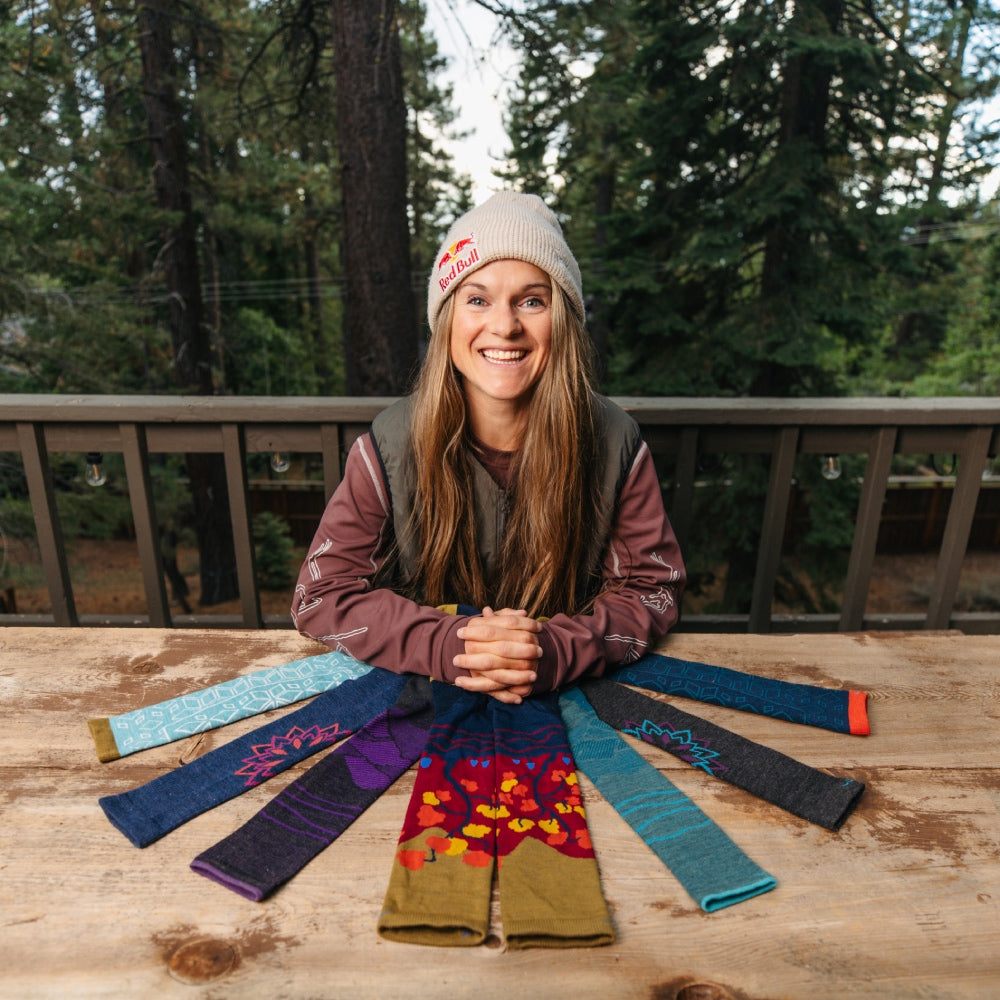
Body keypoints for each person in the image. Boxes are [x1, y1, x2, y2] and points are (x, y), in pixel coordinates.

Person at [292, 191, 684, 703]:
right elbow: (319, 596)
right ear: (447, 318)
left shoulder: (614, 441)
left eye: (532, 300)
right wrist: (451, 644)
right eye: (477, 299)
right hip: (417, 695)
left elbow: (653, 589)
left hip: (572, 694)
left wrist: (557, 649)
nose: (505, 326)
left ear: (562, 320)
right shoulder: (389, 444)